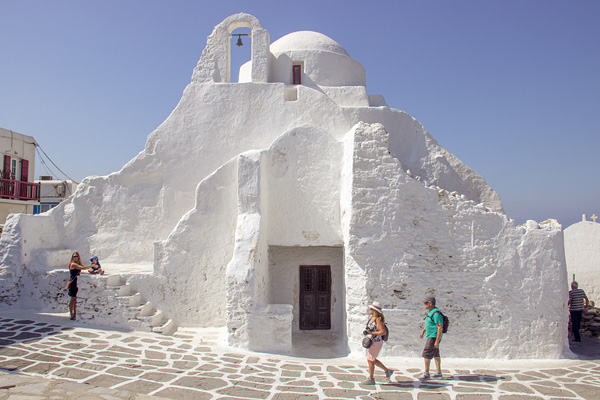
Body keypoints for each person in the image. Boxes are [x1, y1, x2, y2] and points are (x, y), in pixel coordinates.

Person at [362, 301, 393, 385]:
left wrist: (371, 333)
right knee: (372, 359)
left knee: (370, 359)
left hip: (376, 342)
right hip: (373, 341)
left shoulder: (378, 320)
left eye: (371, 309)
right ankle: (387, 371)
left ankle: (371, 378)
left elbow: (382, 332)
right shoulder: (372, 318)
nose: (369, 309)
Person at [419, 295, 443, 380]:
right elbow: (430, 323)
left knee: (426, 354)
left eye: (426, 303)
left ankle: (426, 373)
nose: (424, 304)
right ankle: (438, 372)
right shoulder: (431, 312)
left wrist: (437, 341)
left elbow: (440, 327)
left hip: (433, 337)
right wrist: (423, 331)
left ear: (430, 303)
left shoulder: (436, 313)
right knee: (436, 354)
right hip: (431, 335)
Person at [67, 252, 91, 320]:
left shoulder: (77, 264)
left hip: (77, 282)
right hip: (73, 283)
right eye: (74, 256)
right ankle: (71, 314)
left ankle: (75, 314)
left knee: (75, 299)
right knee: (73, 299)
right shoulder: (73, 264)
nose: (75, 258)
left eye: (76, 256)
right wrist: (92, 266)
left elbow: (83, 267)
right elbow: (83, 268)